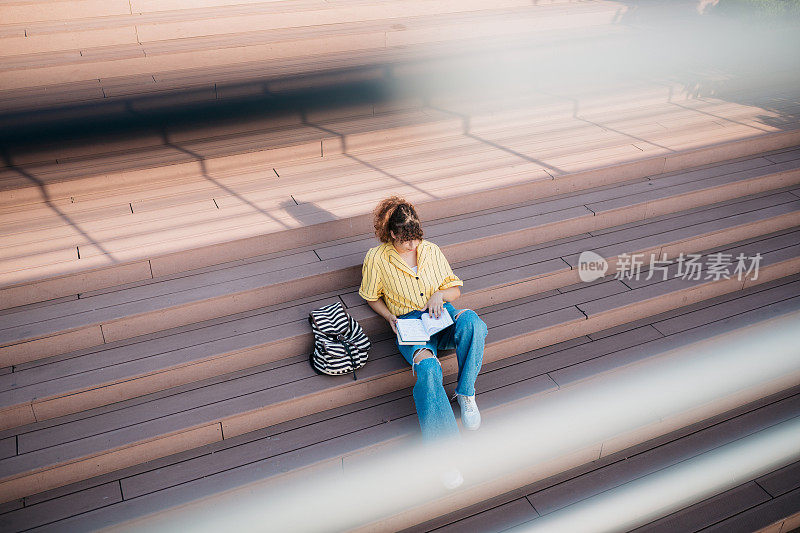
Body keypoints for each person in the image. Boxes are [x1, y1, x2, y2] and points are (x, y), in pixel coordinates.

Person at [358, 195, 489, 487]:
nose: (413, 246)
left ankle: (466, 393)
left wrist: (440, 295)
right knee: (429, 370)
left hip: (438, 318)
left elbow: (453, 287)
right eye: (406, 240)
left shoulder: (431, 250)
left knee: (473, 324)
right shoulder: (377, 258)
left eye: (416, 239)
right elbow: (369, 295)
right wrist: (389, 316)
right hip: (409, 326)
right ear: (391, 233)